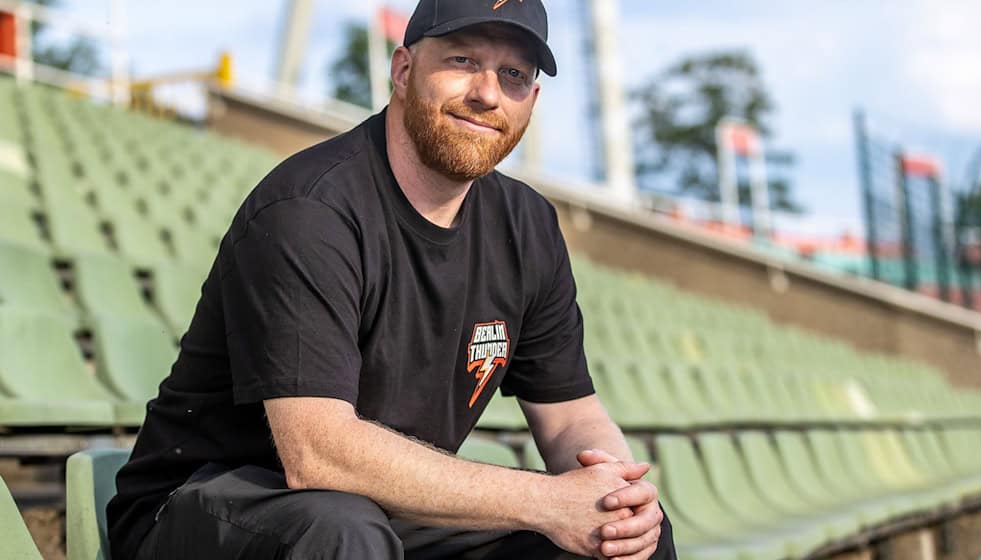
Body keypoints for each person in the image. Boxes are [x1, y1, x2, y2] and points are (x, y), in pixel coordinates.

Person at [107, 0, 676, 558]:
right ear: (403, 70)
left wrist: (616, 497)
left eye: (513, 75)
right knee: (340, 528)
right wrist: (546, 501)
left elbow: (571, 414)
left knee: (626, 538)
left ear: (532, 98)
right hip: (207, 503)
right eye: (461, 61)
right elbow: (317, 455)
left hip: (384, 511)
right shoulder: (310, 210)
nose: (486, 92)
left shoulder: (528, 224)